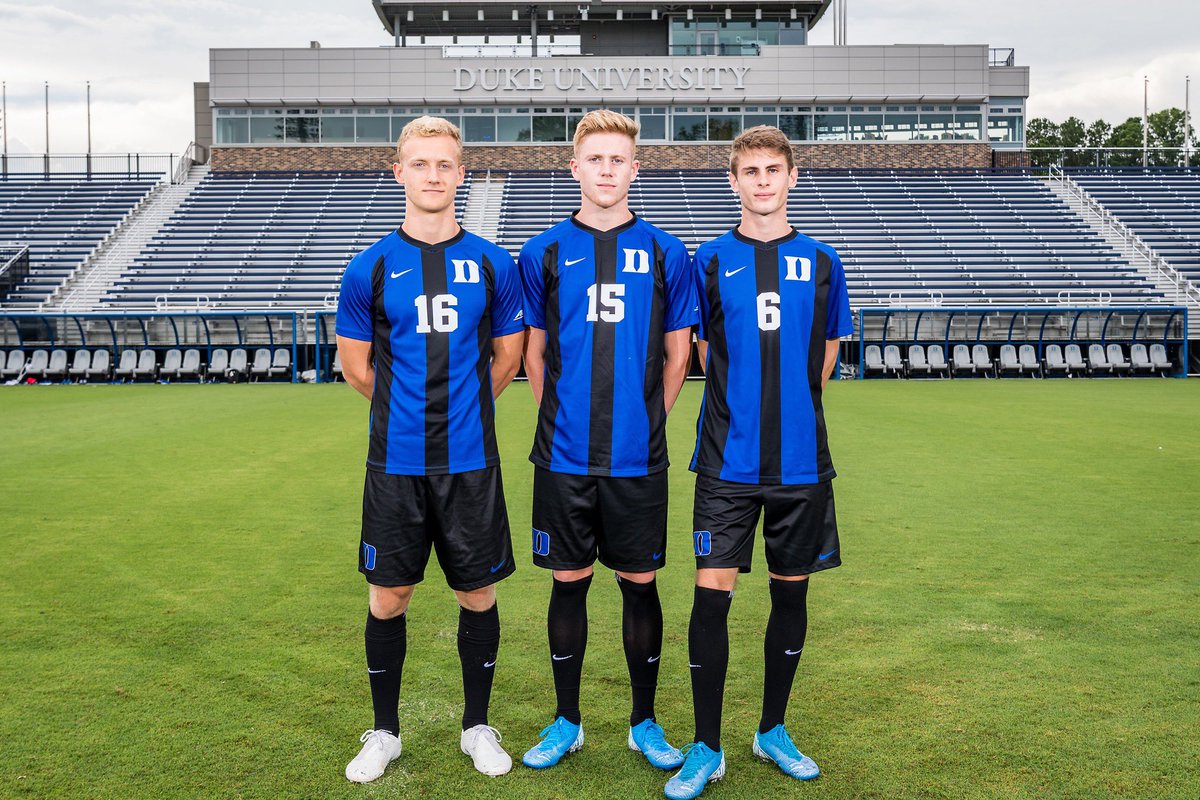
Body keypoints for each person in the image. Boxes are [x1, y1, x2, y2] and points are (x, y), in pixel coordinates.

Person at [665, 125, 854, 800]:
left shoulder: (824, 260)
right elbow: (700, 351)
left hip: (802, 464)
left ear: (792, 176)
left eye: (774, 169)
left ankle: (772, 729)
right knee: (711, 598)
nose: (763, 180)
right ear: (733, 180)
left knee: (790, 595)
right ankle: (706, 745)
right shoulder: (710, 261)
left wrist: (791, 408)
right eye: (751, 170)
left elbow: (827, 355)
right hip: (726, 461)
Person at [335, 116, 525, 783]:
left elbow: (509, 356)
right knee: (389, 597)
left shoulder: (493, 263)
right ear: (400, 173)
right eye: (421, 164)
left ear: (461, 173)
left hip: (471, 463)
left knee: (478, 593)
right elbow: (356, 367)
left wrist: (465, 409)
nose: (434, 175)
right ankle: (383, 731)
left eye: (445, 164)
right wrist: (409, 413)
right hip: (395, 464)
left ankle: (478, 726)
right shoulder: (370, 267)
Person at [517, 109, 698, 771]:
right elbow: (534, 356)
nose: (606, 169)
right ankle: (566, 720)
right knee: (568, 584)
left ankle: (643, 722)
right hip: (563, 458)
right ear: (575, 167)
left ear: (634, 168)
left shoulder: (664, 250)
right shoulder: (543, 251)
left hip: (636, 458)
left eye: (618, 159)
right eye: (595, 158)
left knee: (639, 585)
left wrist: (653, 420)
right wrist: (556, 419)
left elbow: (680, 356)